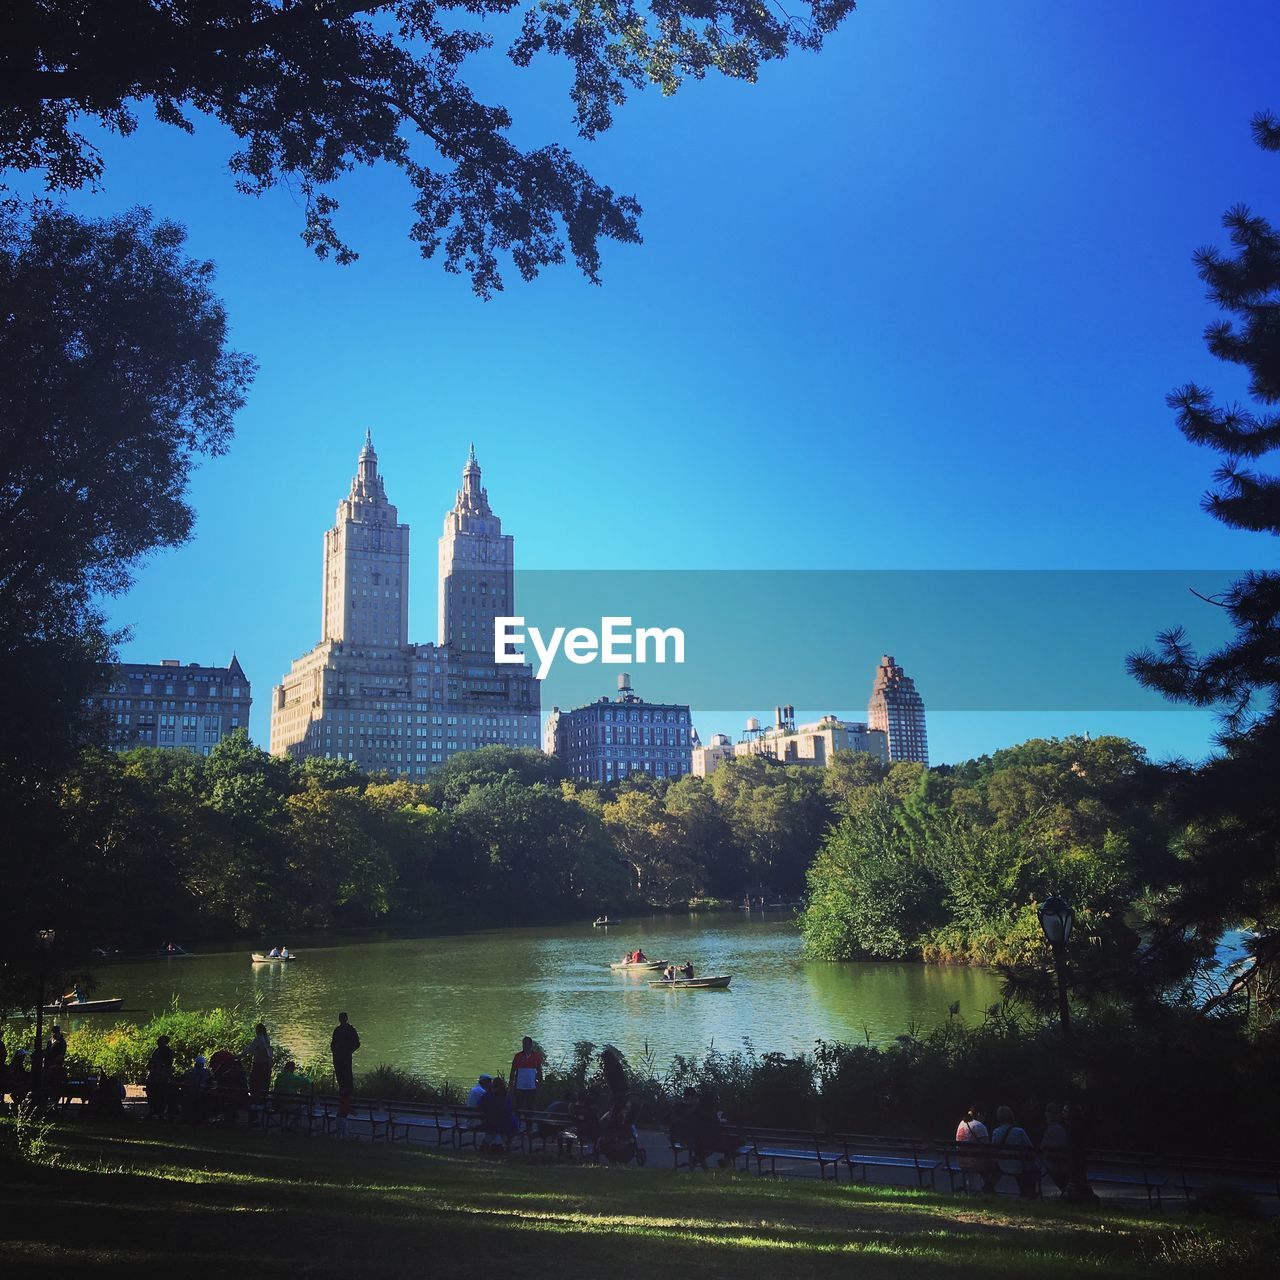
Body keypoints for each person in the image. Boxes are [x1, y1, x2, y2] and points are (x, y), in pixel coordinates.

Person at [991, 1105, 1038, 1198]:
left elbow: (993, 1150)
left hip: (1002, 1165)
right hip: (1018, 1166)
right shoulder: (1020, 1131)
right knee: (1034, 1167)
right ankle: (1029, 1192)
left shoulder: (996, 1132)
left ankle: (989, 1188)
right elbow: (1030, 1149)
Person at [954, 1106, 995, 1193]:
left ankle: (985, 1188)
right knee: (996, 1166)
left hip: (961, 1162)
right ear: (979, 1114)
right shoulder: (980, 1126)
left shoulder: (962, 1123)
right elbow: (987, 1148)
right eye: (984, 1116)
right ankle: (988, 1188)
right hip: (976, 1163)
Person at [478, 1075, 518, 1151]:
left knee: (492, 1132)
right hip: (506, 1124)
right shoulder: (507, 1097)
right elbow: (509, 1110)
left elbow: (480, 1105)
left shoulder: (488, 1096)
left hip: (493, 1124)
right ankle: (502, 1145)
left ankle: (494, 1145)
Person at [1040, 1103, 1070, 1194]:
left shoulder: (1048, 1130)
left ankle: (1064, 1191)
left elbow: (1042, 1147)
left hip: (1052, 1164)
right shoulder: (1065, 1129)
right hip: (1066, 1162)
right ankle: (1065, 1191)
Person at [509, 1035, 543, 1113]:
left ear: (531, 1045)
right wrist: (511, 1085)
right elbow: (513, 1071)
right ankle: (517, 1124)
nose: (524, 1046)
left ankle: (529, 1125)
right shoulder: (518, 1056)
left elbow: (539, 1071)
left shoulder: (536, 1056)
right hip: (519, 1087)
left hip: (531, 1088)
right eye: (523, 1044)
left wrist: (540, 1084)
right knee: (518, 1109)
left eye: (526, 1044)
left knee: (530, 1109)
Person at [330, 1011, 361, 1098]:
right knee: (339, 1075)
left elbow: (357, 1043)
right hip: (337, 1056)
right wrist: (334, 1050)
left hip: (346, 1056)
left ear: (346, 1019)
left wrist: (349, 1051)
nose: (342, 1020)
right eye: (341, 1018)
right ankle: (342, 1093)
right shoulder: (337, 1030)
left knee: (347, 1075)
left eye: (343, 1018)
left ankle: (349, 1094)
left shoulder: (351, 1030)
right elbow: (333, 1043)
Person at [145, 1034, 175, 1119]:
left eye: (161, 1041)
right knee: (151, 1092)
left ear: (165, 1042)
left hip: (162, 1075)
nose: (158, 1042)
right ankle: (152, 1110)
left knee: (161, 1094)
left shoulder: (168, 1051)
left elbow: (168, 1064)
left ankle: (160, 1112)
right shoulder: (156, 1051)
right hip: (154, 1074)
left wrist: (160, 1065)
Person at [180, 1055, 215, 1123]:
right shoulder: (207, 1072)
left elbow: (185, 1080)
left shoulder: (190, 1071)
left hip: (192, 1092)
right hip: (201, 1092)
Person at [248, 1023, 272, 1102]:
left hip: (258, 1064)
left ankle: (255, 1102)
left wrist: (239, 1056)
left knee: (254, 1083)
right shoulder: (266, 1039)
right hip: (267, 1065)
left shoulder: (258, 1039)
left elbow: (250, 1050)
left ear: (257, 1030)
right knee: (264, 1084)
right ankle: (263, 1101)